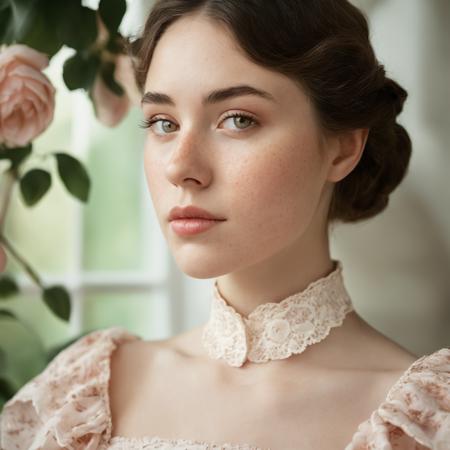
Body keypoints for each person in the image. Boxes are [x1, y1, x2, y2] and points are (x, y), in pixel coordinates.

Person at [1, 1, 449, 449]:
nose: (180, 166)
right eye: (163, 122)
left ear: (343, 147)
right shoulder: (78, 397)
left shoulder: (422, 424)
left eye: (238, 119)